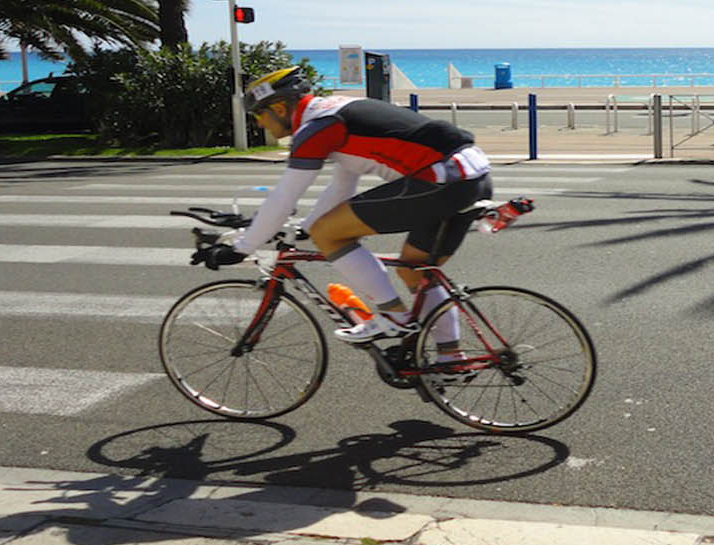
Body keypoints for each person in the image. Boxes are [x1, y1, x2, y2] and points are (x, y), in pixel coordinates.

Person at [192, 66, 493, 357]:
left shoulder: (315, 129)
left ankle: (393, 318)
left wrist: (241, 249)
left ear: (280, 108)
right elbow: (341, 186)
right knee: (414, 272)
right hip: (473, 175)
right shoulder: (337, 111)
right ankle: (451, 356)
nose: (259, 124)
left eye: (259, 114)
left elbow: (285, 196)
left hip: (440, 180)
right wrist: (305, 228)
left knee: (330, 234)